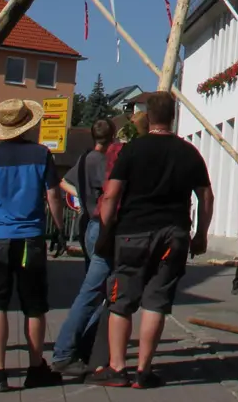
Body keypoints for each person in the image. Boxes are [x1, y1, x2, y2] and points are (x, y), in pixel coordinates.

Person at [88, 92, 214, 389]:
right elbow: (205, 196)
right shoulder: (188, 152)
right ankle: (144, 371)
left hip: (133, 232)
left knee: (122, 300)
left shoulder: (131, 151)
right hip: (173, 233)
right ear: (173, 116)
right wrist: (201, 234)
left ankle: (118, 368)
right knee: (156, 301)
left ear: (148, 115)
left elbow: (111, 194)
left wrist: (106, 232)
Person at [0, 98, 67, 391]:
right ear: (26, 124)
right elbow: (54, 195)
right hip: (30, 240)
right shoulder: (41, 154)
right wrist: (58, 229)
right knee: (34, 306)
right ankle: (36, 368)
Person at [51, 118, 119, 375]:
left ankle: (81, 348)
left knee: (96, 288)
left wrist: (79, 196)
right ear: (111, 136)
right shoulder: (103, 162)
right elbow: (111, 193)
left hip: (86, 223)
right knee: (93, 292)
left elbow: (63, 181)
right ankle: (66, 351)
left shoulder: (85, 158)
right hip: (99, 225)